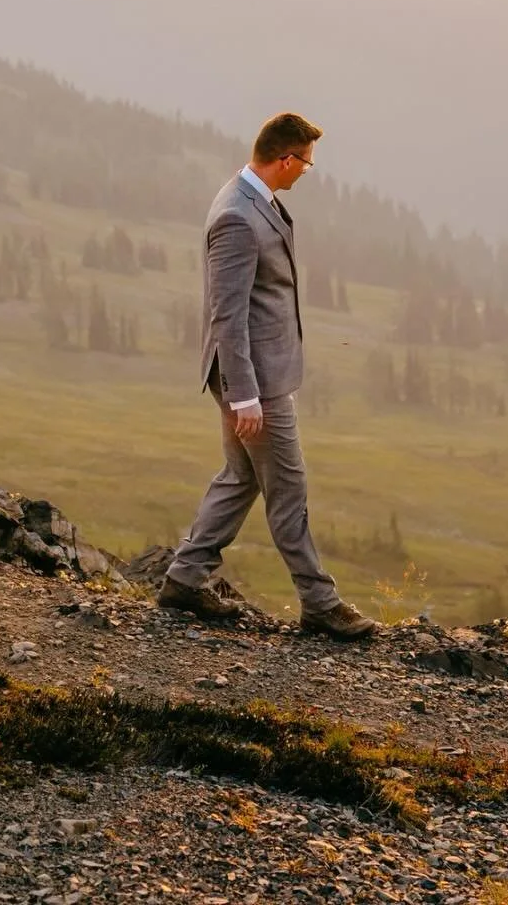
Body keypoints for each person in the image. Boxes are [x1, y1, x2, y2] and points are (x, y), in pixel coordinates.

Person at [157, 111, 377, 640]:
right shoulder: (238, 215)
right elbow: (226, 313)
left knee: (240, 477)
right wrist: (246, 395)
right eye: (306, 163)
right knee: (288, 486)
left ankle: (185, 578)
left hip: (255, 373)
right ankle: (320, 603)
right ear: (286, 159)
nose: (307, 171)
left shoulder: (252, 197)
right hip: (254, 378)